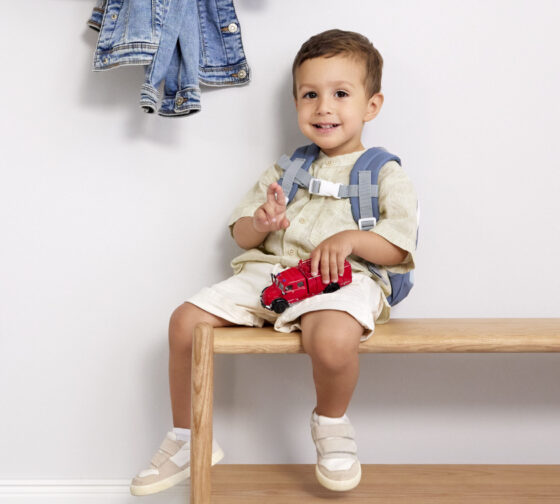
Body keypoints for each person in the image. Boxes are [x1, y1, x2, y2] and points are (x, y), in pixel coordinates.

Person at [130, 30, 418, 495]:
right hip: (273, 275)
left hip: (343, 282)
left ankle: (331, 423)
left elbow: (400, 248)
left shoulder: (384, 172)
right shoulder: (287, 170)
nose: (323, 107)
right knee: (184, 321)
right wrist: (262, 222)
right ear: (296, 102)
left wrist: (351, 239)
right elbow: (240, 235)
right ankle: (187, 437)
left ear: (371, 105)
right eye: (310, 95)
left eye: (340, 94)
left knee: (331, 338)